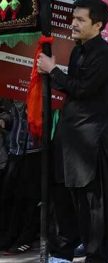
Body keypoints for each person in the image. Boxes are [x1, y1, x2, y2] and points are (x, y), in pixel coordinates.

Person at [38, 0, 108, 262]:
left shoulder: (107, 55)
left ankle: (97, 255)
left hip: (92, 145)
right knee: (62, 199)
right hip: (70, 140)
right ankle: (62, 251)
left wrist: (53, 71)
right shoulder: (79, 50)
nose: (73, 23)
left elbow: (83, 89)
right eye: (73, 18)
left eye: (80, 20)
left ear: (97, 25)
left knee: (93, 208)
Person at [0, 100, 41, 255]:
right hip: (15, 149)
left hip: (34, 150)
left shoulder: (42, 82)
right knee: (11, 196)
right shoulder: (14, 87)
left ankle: (26, 238)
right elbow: (11, 114)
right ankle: (10, 235)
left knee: (30, 199)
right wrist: (5, 120)